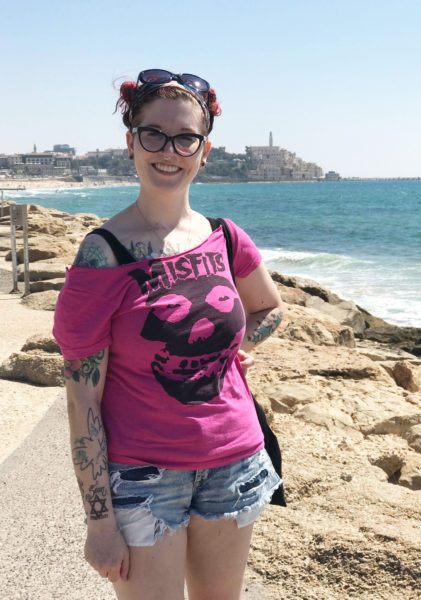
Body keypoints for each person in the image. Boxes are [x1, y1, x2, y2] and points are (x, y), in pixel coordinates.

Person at [53, 69, 284, 600]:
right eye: (154, 134)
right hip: (142, 475)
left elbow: (270, 308)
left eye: (186, 138)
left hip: (234, 459)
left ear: (204, 152)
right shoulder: (103, 256)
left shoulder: (224, 236)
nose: (169, 150)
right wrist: (99, 524)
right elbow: (82, 399)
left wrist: (230, 350)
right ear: (131, 143)